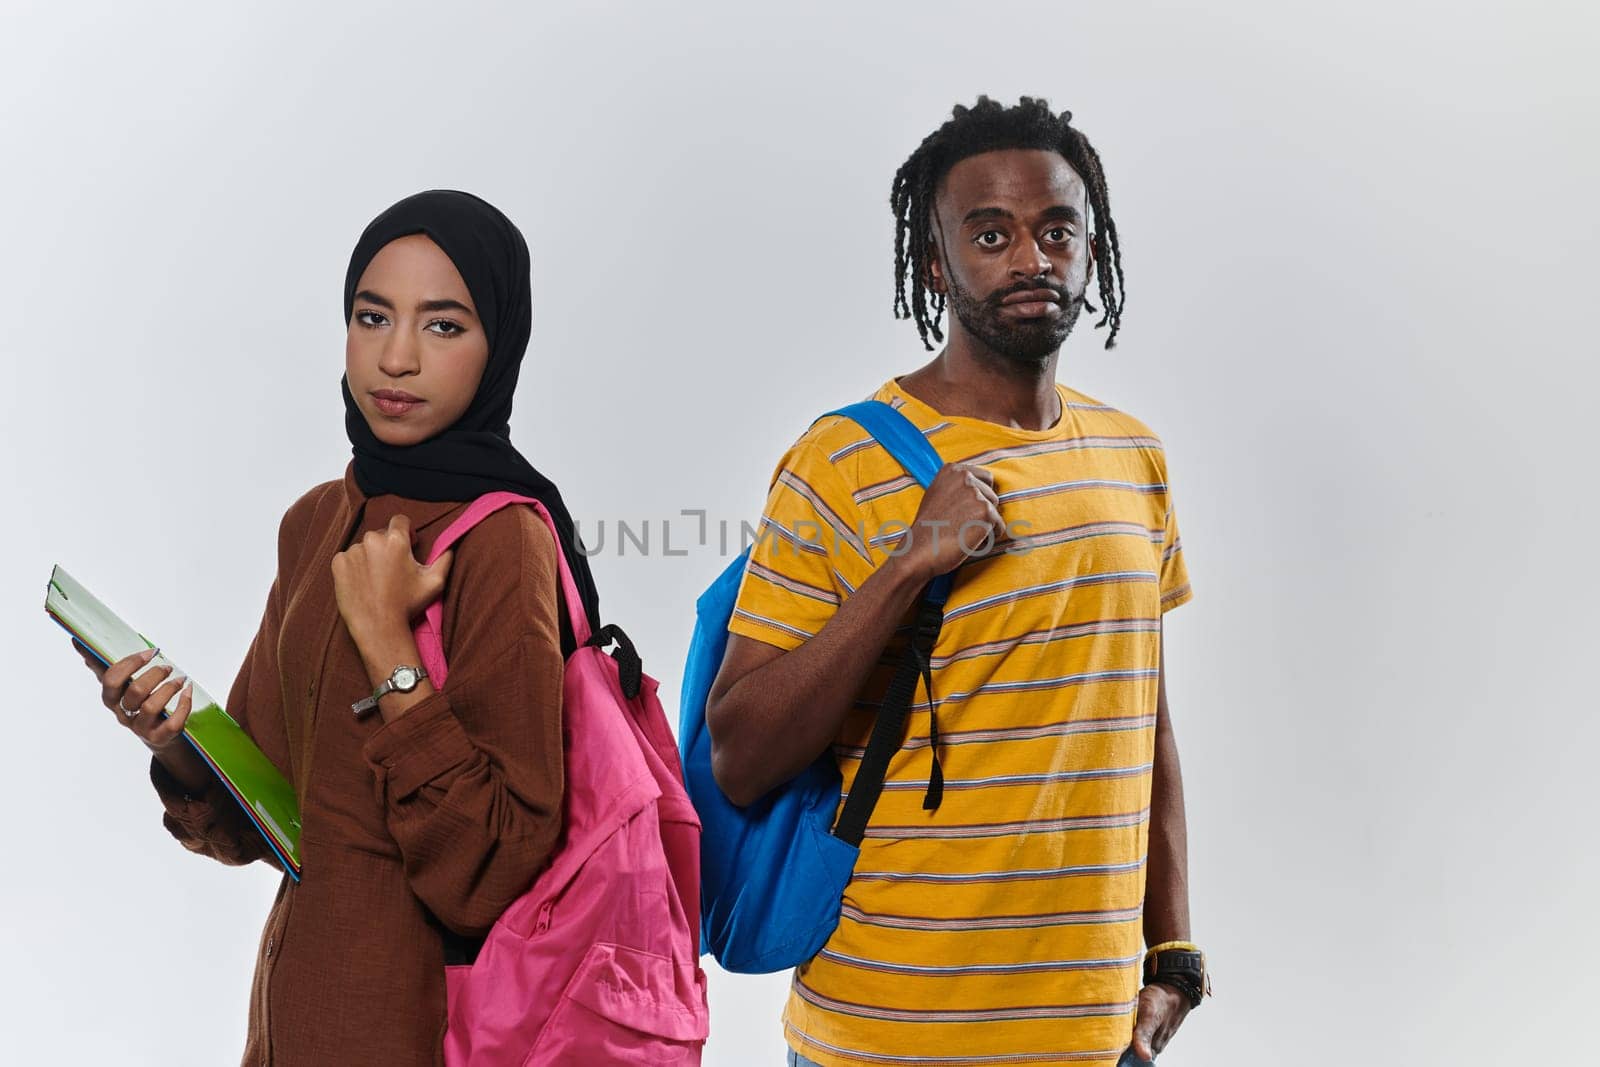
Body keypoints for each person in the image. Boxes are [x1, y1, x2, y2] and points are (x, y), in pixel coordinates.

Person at [705, 97, 1206, 1066]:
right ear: (935, 264)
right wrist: (908, 564)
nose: (1030, 257)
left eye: (1056, 229)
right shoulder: (842, 461)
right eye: (990, 233)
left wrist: (1173, 956)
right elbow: (742, 751)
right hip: (885, 1031)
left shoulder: (1131, 457)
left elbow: (1145, 721)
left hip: (1087, 1037)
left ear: (1090, 249)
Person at [74, 190, 600, 1065]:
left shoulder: (504, 537)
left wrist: (390, 648)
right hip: (292, 1025)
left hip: (431, 1035)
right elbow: (266, 820)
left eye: (443, 326)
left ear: (498, 343)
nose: (396, 357)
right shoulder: (317, 520)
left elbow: (499, 865)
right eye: (372, 315)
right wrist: (172, 742)